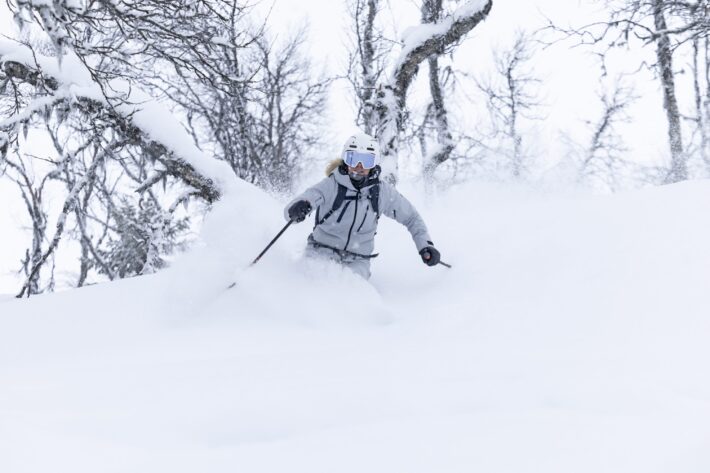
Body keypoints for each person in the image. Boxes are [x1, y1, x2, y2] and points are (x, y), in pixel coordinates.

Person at [284, 132, 442, 279]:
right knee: (312, 285)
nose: (359, 166)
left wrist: (425, 245)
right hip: (320, 251)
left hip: (357, 261)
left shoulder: (381, 192)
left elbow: (412, 217)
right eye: (353, 158)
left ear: (374, 163)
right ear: (345, 160)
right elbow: (303, 201)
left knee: (352, 294)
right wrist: (298, 208)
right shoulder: (331, 185)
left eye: (366, 161)